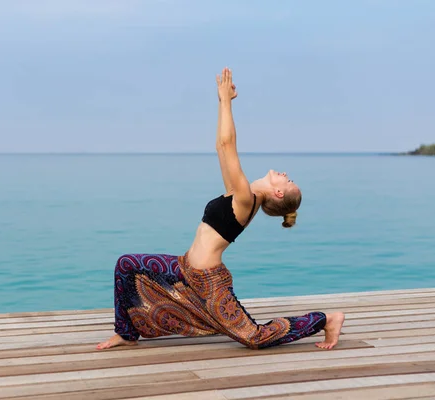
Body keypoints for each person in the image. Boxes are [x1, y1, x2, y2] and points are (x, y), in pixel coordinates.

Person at [96, 68, 344, 351]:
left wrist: (226, 101)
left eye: (288, 181)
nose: (286, 174)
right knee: (126, 265)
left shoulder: (246, 199)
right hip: (183, 268)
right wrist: (221, 103)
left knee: (254, 337)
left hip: (208, 283)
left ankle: (327, 320)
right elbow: (220, 147)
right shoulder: (239, 194)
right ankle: (126, 332)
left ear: (278, 193)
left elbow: (228, 145)